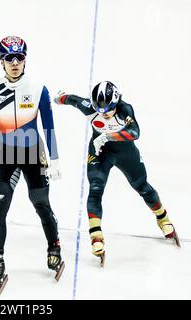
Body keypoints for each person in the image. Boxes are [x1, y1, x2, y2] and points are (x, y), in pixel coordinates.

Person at [54, 81, 180, 265]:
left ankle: (162, 218)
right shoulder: (89, 107)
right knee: (95, 188)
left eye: (108, 109)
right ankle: (96, 236)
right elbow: (72, 100)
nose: (104, 114)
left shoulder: (124, 109)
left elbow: (135, 132)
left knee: (142, 186)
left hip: (125, 152)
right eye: (100, 110)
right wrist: (58, 99)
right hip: (100, 153)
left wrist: (107, 136)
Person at [0, 36, 64, 291]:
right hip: (6, 156)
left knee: (41, 204)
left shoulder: (38, 88)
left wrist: (55, 159)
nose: (15, 63)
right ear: (0, 61)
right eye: (9, 59)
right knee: (0, 207)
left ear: (25, 59)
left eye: (20, 58)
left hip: (33, 156)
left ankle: (54, 247)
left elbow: (48, 126)